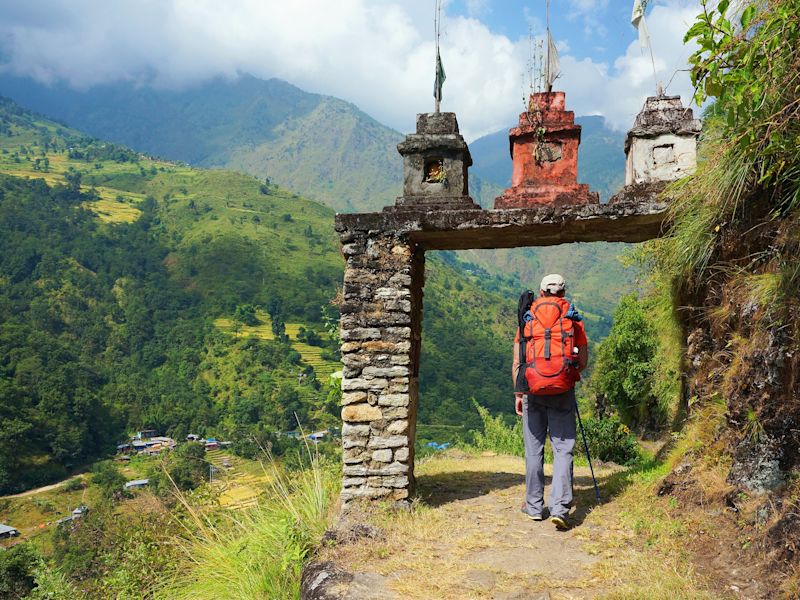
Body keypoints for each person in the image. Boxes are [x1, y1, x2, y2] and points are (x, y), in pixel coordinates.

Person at [512, 274, 588, 529]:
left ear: (542, 292)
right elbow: (583, 360)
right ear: (563, 293)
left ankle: (534, 507)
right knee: (563, 449)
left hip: (532, 390)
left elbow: (519, 360)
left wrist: (519, 393)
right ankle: (560, 509)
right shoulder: (572, 318)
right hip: (562, 391)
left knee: (534, 450)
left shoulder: (528, 317)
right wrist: (566, 376)